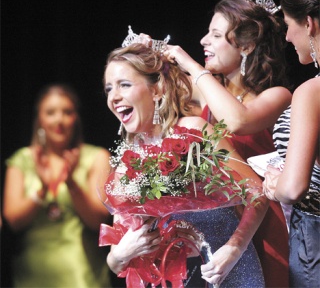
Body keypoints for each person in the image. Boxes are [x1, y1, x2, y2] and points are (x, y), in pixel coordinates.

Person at [142, 0, 291, 287]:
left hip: (266, 220)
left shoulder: (277, 95)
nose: (203, 40)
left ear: (246, 45)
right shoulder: (209, 92)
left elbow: (238, 121)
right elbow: (160, 84)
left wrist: (191, 64)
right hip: (225, 223)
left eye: (216, 35)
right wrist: (147, 53)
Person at [103, 42, 269, 287]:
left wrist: (234, 249)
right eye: (108, 89)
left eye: (124, 85)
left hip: (224, 271)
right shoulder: (124, 164)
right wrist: (119, 255)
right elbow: (116, 262)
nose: (114, 97)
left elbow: (257, 193)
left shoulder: (192, 131)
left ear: (156, 90)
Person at [3, 83, 112, 287]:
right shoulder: (22, 160)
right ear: (40, 120)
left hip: (80, 272)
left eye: (67, 112)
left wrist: (71, 184)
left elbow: (99, 221)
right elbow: (13, 221)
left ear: (76, 118)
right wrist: (42, 190)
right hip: (32, 272)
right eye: (51, 112)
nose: (59, 120)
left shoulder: (96, 157)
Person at [263, 0, 320, 287]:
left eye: (287, 25)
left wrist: (275, 185)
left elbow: (294, 188)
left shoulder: (311, 92)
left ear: (309, 23)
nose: (286, 38)